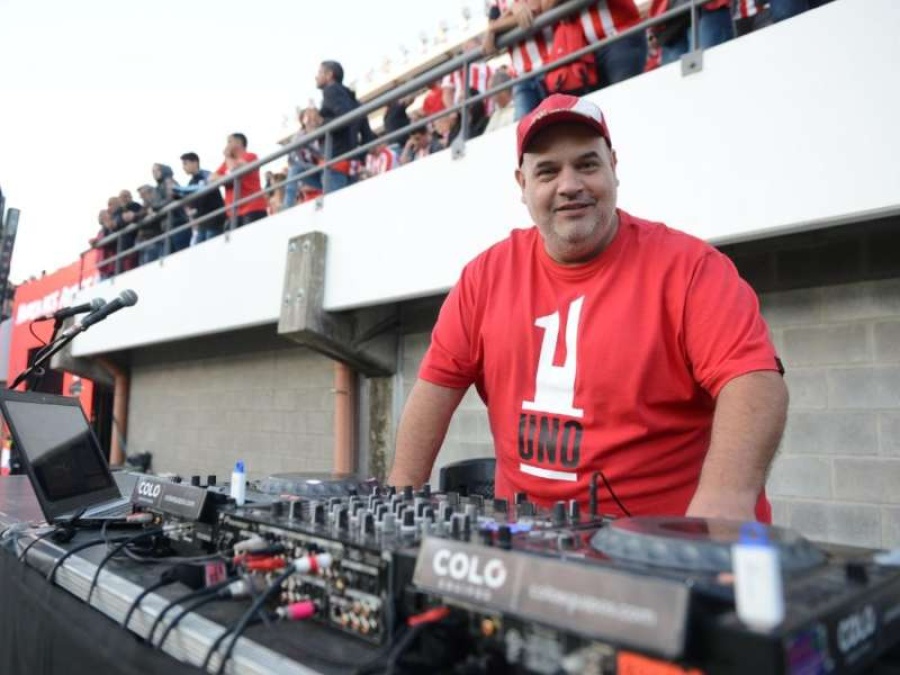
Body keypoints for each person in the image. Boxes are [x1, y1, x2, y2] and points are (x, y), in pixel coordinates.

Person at [388, 94, 788, 523]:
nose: (570, 185)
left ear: (614, 167)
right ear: (522, 185)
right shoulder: (484, 276)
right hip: (529, 553)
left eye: (587, 164)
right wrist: (396, 508)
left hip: (663, 558)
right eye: (547, 171)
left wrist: (713, 521)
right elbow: (434, 390)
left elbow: (754, 383)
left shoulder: (690, 268)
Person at [211, 133, 270, 228]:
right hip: (233, 212)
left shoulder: (250, 156)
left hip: (253, 208)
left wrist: (228, 157)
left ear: (239, 142)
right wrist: (226, 178)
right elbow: (212, 178)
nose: (227, 145)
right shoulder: (226, 163)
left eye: (229, 141)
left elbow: (235, 170)